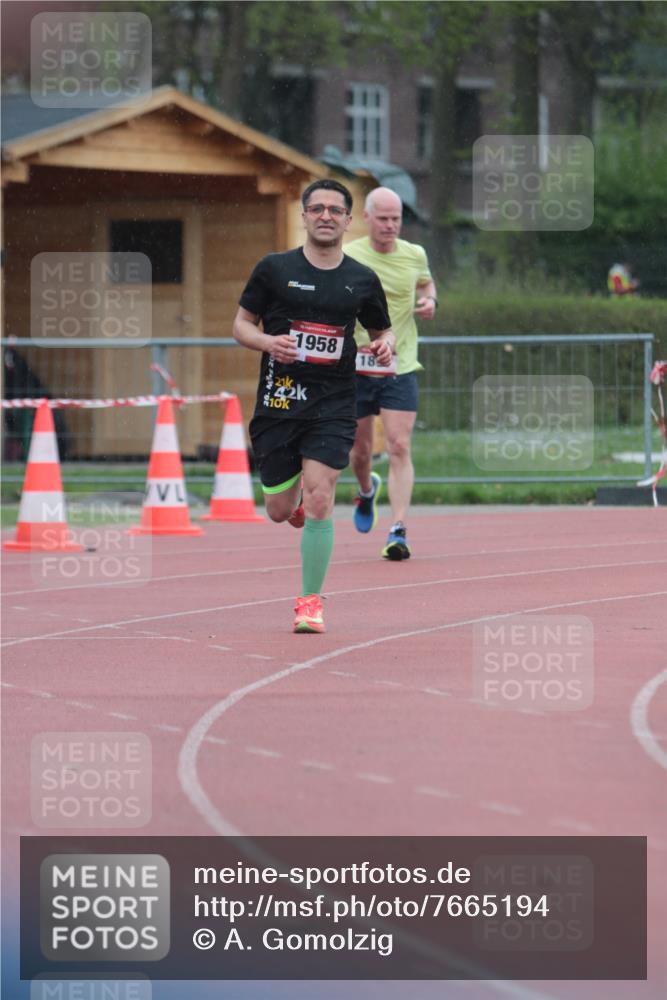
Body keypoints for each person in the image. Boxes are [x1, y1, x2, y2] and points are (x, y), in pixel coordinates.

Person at [232, 179, 395, 634]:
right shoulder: (273, 269)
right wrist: (268, 342)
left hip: (335, 404)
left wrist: (385, 346)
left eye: (335, 209)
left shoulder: (361, 279)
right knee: (280, 511)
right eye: (317, 208)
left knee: (322, 498)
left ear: (347, 220)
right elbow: (241, 325)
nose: (326, 215)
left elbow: (382, 331)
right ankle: (295, 503)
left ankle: (310, 602)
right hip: (279, 401)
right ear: (304, 216)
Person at [345, 187, 437, 560]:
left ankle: (398, 528)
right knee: (360, 451)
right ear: (367, 218)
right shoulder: (349, 255)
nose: (390, 225)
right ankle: (367, 490)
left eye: (396, 218)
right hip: (356, 366)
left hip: (400, 363)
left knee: (399, 445)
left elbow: (426, 283)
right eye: (382, 218)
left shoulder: (415, 254)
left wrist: (431, 299)